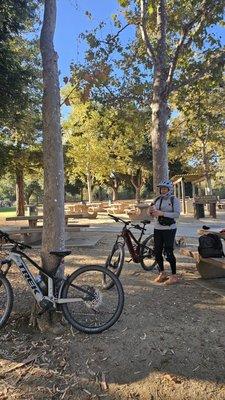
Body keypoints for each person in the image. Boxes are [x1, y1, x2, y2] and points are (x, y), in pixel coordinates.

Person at [149, 180, 180, 285]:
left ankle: (174, 276)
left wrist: (162, 213)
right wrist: (152, 213)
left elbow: (176, 214)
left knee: (168, 252)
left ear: (169, 189)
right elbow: (154, 212)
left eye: (165, 188)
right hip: (157, 228)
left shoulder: (173, 199)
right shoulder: (156, 199)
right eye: (161, 188)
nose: (163, 190)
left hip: (169, 229)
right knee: (157, 251)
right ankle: (162, 273)